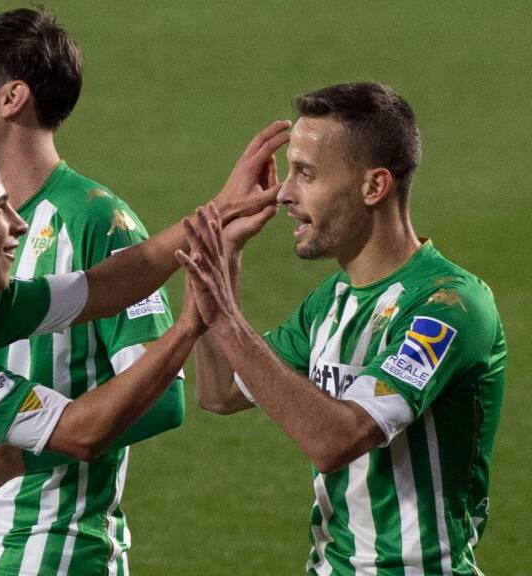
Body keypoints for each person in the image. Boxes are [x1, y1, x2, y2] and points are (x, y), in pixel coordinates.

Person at [0, 116, 289, 574]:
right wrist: (188, 327)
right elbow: (79, 433)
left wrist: (218, 213)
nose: (18, 224)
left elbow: (102, 287)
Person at [179, 83, 506, 575]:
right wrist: (221, 255)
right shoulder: (331, 302)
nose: (284, 193)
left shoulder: (449, 307)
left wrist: (226, 318)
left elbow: (336, 439)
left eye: (305, 174)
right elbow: (221, 391)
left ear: (374, 187)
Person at [0, 8, 186, 574]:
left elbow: (166, 397)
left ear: (12, 97)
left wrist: (28, 443)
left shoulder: (97, 221)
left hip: (59, 544)